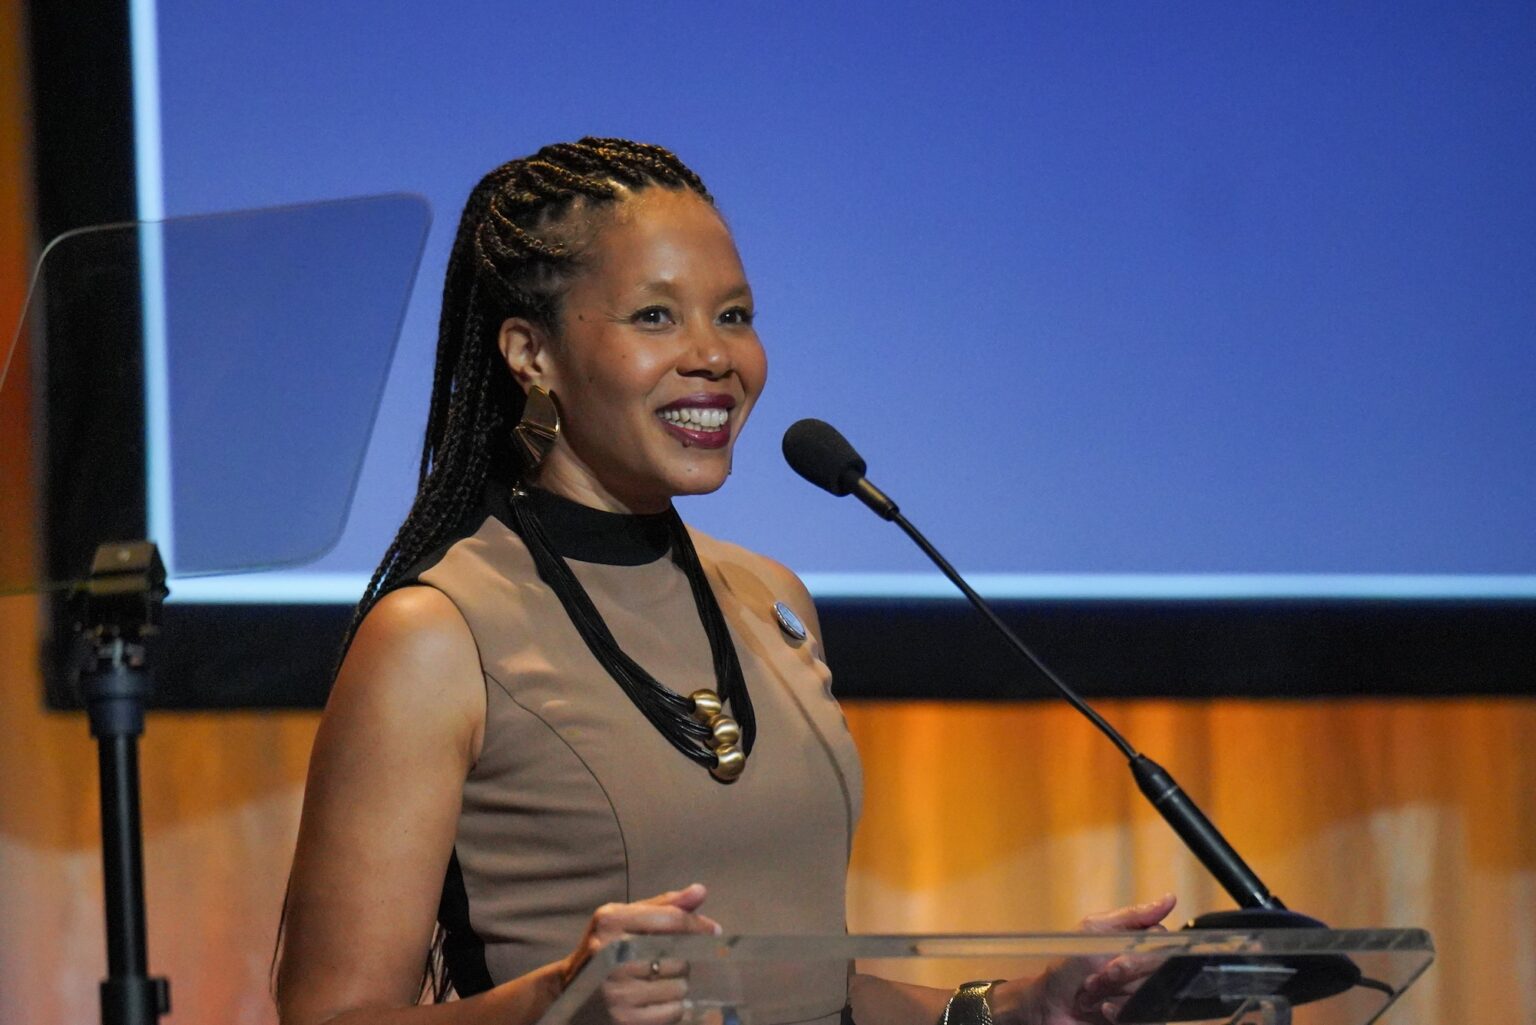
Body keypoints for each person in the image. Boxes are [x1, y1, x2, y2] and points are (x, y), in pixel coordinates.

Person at [274, 137, 1176, 1025]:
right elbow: (329, 1013)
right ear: (530, 354)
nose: (716, 357)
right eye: (656, 317)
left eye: (734, 315)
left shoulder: (770, 600)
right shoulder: (437, 634)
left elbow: (809, 988)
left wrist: (1015, 1007)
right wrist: (559, 1002)